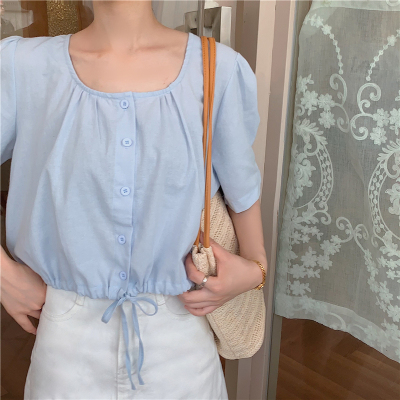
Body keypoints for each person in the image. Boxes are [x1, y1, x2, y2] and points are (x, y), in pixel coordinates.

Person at [0, 0, 268, 398]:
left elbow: (242, 193)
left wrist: (255, 271)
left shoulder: (217, 69)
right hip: (65, 342)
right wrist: (3, 276)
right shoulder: (21, 67)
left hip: (182, 336)